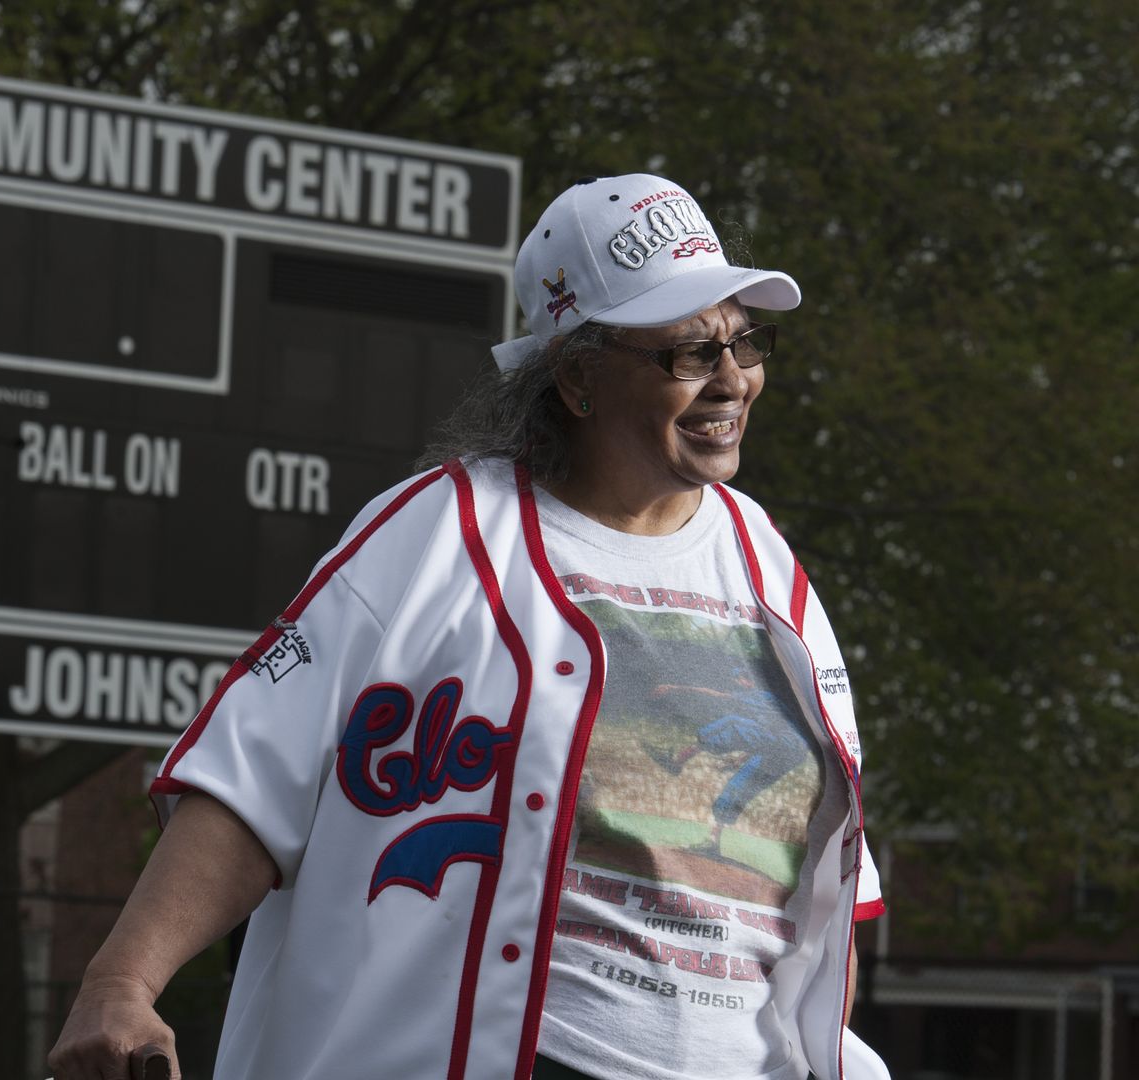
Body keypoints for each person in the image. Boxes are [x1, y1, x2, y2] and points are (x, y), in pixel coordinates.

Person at [47, 174, 888, 1080]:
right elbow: (256, 778)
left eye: (744, 340)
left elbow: (816, 899)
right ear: (576, 375)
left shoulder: (769, 566)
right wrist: (122, 979)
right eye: (688, 352)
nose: (733, 378)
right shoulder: (435, 535)